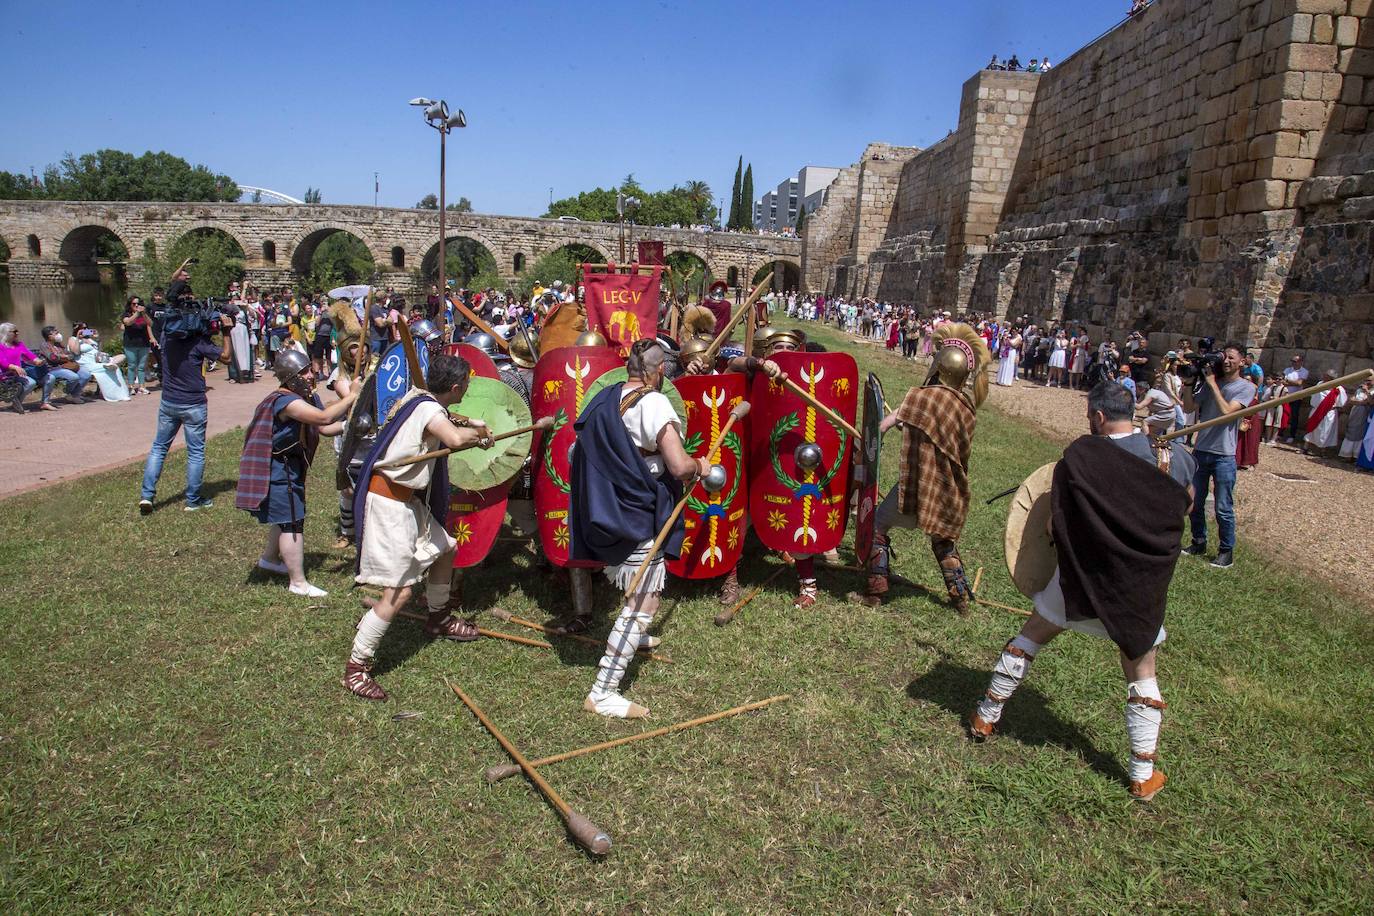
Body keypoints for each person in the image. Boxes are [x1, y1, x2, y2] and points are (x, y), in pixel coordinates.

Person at [968, 381, 1195, 803]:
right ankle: (1141, 776)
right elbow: (1185, 508)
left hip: (1078, 582)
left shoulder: (1080, 457)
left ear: (1098, 416)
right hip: (1135, 589)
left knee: (1028, 639)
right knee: (1142, 673)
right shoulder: (1174, 457)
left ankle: (985, 717)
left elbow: (1057, 524)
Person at [570, 338, 710, 718]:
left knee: (639, 586)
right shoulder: (654, 402)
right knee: (645, 596)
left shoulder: (607, 396)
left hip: (604, 504)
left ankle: (635, 636)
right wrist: (700, 465)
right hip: (633, 510)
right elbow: (678, 467)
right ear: (660, 369)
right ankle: (603, 691)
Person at [343, 353, 493, 702]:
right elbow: (453, 439)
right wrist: (479, 437)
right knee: (399, 592)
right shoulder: (428, 410)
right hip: (390, 505)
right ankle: (356, 667)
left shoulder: (418, 396)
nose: (467, 389)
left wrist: (474, 423)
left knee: (446, 549)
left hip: (406, 501)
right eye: (466, 386)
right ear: (455, 387)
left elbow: (448, 419)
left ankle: (438, 616)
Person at [850, 324, 988, 614]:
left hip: (916, 489)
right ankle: (960, 599)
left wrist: (867, 444)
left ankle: (876, 592)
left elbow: (884, 426)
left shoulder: (921, 398)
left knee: (877, 524)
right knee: (943, 541)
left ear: (939, 367)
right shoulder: (966, 407)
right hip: (948, 490)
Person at [236, 350, 358, 597]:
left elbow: (324, 429)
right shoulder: (286, 401)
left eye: (310, 369)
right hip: (277, 468)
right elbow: (324, 418)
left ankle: (270, 559)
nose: (310, 375)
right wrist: (353, 396)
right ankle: (298, 582)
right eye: (304, 372)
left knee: (286, 516)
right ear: (290, 377)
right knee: (292, 521)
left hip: (291, 466)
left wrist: (349, 425)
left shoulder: (305, 397)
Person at [139, 270, 234, 514]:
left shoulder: (166, 334)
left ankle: (147, 496)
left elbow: (171, 305)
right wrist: (225, 332)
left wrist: (175, 282)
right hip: (193, 403)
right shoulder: (197, 343)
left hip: (169, 400)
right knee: (195, 452)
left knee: (159, 447)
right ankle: (193, 500)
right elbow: (226, 357)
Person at [1180, 342, 1255, 569]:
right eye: (1225, 357)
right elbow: (1189, 407)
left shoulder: (1246, 387)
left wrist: (1212, 383)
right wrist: (1189, 382)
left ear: (1242, 361)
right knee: (1195, 502)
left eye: (1232, 358)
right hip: (1201, 451)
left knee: (1223, 506)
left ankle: (1225, 552)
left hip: (1224, 455)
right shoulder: (1213, 382)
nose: (1227, 361)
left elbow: (1226, 412)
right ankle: (1198, 541)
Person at [68, 325, 130, 402]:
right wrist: (78, 337)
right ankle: (115, 395)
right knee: (115, 369)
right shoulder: (73, 339)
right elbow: (76, 352)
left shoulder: (89, 339)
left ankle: (111, 364)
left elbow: (99, 350)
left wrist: (97, 338)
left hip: (99, 359)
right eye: (83, 329)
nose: (86, 330)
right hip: (88, 364)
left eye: (86, 328)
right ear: (77, 330)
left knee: (122, 356)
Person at [37, 326, 91, 406]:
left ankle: (74, 395)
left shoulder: (58, 344)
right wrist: (64, 357)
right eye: (56, 333)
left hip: (66, 366)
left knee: (86, 375)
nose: (59, 334)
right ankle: (67, 391)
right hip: (53, 369)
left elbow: (71, 355)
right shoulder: (44, 345)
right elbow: (52, 358)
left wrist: (63, 357)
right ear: (49, 336)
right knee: (74, 377)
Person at [0, 322, 46, 412]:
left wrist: (37, 361)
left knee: (33, 381)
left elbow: (29, 355)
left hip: (18, 373)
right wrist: (14, 367)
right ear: (6, 333)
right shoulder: (1, 346)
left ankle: (16, 401)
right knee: (31, 382)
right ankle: (16, 401)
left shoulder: (19, 345)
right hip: (6, 374)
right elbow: (2, 362)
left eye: (17, 331)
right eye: (14, 331)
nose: (17, 333)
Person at [1303, 370, 1347, 456]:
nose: (1324, 377)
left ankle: (1321, 451)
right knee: (1312, 428)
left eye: (1326, 376)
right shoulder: (1320, 384)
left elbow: (1341, 402)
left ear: (1331, 378)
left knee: (1325, 431)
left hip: (1328, 413)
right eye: (1324, 375)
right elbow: (1314, 395)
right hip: (1316, 410)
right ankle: (1306, 447)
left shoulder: (1338, 388)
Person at [121, 296, 157, 395]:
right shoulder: (126, 314)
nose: (136, 305)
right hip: (130, 344)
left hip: (143, 343)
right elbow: (127, 322)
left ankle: (142, 386)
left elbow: (150, 323)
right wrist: (136, 313)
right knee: (132, 365)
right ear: (130, 305)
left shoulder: (144, 315)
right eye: (134, 304)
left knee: (142, 367)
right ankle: (131, 386)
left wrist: (143, 313)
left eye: (138, 304)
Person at [1339, 377, 1373, 461]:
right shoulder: (1359, 390)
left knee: (1360, 434)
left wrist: (1367, 392)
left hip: (1364, 415)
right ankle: (1346, 454)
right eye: (1366, 380)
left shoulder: (1372, 391)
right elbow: (1351, 400)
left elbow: (1369, 402)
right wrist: (1361, 402)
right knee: (1351, 431)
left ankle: (1355, 456)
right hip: (1354, 414)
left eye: (1369, 380)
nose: (1367, 382)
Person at [1280, 354, 1309, 443]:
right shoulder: (1287, 370)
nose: (1293, 363)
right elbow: (1281, 381)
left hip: (1296, 397)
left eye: (1295, 361)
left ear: (1300, 362)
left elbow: (1300, 383)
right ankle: (1280, 433)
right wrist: (1293, 382)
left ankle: (1292, 435)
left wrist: (1288, 381)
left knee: (1294, 416)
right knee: (1283, 414)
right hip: (1285, 395)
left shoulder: (1304, 371)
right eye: (1292, 361)